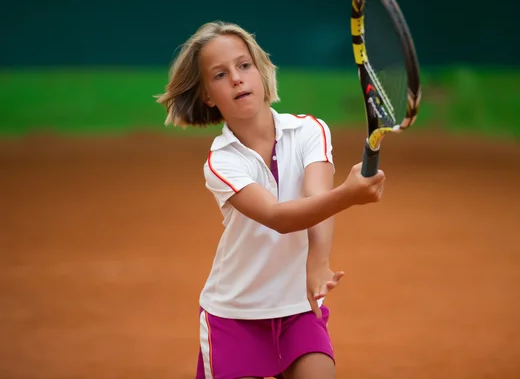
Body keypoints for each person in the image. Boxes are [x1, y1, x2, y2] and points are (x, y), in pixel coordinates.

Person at [155, 21, 386, 379]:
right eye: (220, 74)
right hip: (235, 316)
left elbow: (317, 199)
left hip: (298, 308)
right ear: (206, 95)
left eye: (244, 65)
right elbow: (278, 216)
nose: (236, 78)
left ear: (261, 71)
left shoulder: (311, 130)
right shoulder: (221, 162)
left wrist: (317, 262)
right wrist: (349, 195)